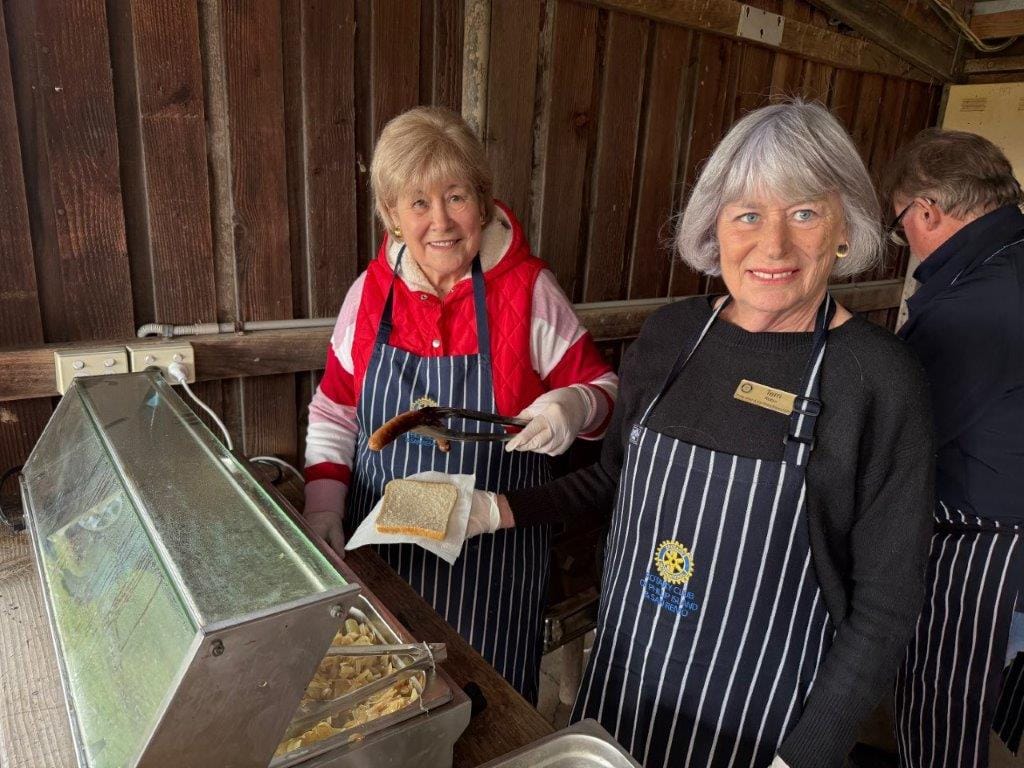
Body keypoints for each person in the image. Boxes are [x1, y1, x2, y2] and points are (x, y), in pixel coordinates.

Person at [453, 100, 934, 767]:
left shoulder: (879, 379)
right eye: (747, 215)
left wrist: (806, 755)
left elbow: (887, 601)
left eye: (803, 212)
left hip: (764, 723)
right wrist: (496, 510)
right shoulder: (672, 335)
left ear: (844, 228)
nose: (773, 246)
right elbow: (614, 477)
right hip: (626, 689)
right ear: (715, 228)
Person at [302, 106, 618, 702]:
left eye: (456, 197)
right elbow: (335, 410)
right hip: (384, 558)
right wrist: (323, 504)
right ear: (391, 216)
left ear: (483, 200)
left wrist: (573, 406)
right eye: (418, 203)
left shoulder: (528, 292)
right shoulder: (369, 295)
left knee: (487, 712)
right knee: (385, 705)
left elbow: (607, 396)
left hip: (494, 566)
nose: (441, 221)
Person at [885, 128, 1024, 768]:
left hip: (982, 537)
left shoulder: (978, 300)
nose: (906, 240)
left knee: (942, 698)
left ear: (928, 211)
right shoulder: (1009, 259)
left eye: (900, 224)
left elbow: (901, 432)